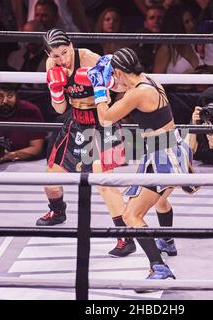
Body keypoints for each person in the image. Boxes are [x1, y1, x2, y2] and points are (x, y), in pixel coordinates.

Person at [87, 47, 198, 281]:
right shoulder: (148, 81)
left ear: (118, 71)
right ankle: (167, 241)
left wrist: (99, 89)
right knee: (161, 200)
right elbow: (122, 88)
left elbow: (105, 118)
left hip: (162, 156)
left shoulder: (137, 94)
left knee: (131, 215)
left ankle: (158, 267)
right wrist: (109, 83)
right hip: (169, 148)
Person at [39, 28, 136, 258]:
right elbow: (60, 109)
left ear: (71, 44)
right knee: (50, 179)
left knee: (104, 182)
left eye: (65, 52)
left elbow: (123, 88)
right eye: (56, 55)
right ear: (48, 54)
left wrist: (107, 81)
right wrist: (56, 91)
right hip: (76, 122)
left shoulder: (91, 59)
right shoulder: (51, 66)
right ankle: (58, 212)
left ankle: (126, 236)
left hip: (103, 122)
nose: (62, 59)